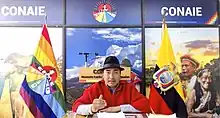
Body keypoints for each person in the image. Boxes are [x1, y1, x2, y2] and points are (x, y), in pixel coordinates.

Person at [72, 56, 151, 115]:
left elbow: (146, 105)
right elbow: (76, 107)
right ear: (103, 74)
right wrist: (92, 108)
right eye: (108, 72)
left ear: (120, 74)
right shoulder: (95, 88)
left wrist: (118, 108)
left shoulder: (128, 87)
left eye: (116, 72)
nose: (111, 77)